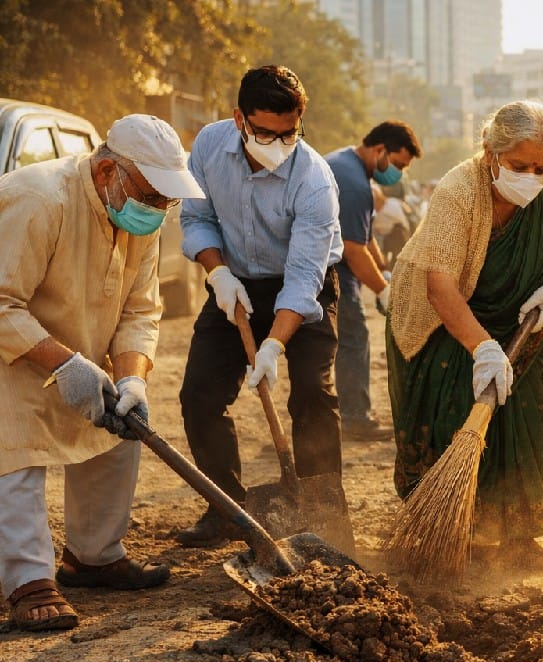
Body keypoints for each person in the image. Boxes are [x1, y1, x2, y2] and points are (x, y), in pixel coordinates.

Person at [0, 114, 204, 631]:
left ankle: (91, 557)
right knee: (14, 448)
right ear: (108, 169)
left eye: (167, 200)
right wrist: (65, 363)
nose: (158, 209)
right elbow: (1, 302)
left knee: (119, 428)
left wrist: (132, 377)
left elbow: (140, 311)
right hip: (11, 355)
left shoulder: (138, 216)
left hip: (76, 355)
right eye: (152, 195)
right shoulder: (41, 198)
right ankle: (29, 581)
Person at [386, 100, 543, 571]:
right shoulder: (459, 191)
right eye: (519, 166)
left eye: (542, 167)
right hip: (446, 318)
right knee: (454, 408)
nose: (532, 177)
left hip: (522, 319)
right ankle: (461, 530)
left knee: (528, 414)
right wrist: (482, 348)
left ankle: (521, 536)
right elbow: (440, 285)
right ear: (489, 152)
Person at [176, 65, 343, 548]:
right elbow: (198, 216)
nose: (278, 144)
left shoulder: (314, 180)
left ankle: (322, 516)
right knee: (199, 396)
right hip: (235, 280)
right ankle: (226, 509)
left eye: (288, 133)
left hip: (301, 286)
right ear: (238, 119)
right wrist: (218, 273)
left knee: (312, 395)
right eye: (265, 133)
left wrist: (272, 346)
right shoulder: (208, 146)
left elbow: (304, 278)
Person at [326, 121, 422, 442]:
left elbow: (366, 239)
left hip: (337, 265)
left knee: (338, 342)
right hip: (332, 271)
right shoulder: (353, 183)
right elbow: (353, 251)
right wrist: (384, 291)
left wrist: (386, 272)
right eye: (397, 165)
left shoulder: (351, 167)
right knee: (353, 338)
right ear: (380, 150)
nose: (398, 174)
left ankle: (324, 419)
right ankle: (355, 418)